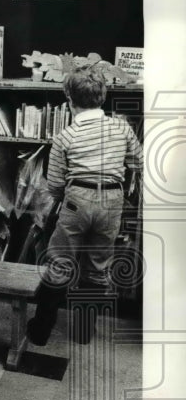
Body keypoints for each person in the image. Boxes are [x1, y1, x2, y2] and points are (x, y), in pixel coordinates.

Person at [26, 66, 142, 346]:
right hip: (112, 201)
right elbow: (138, 163)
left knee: (61, 263)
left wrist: (71, 195)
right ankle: (83, 333)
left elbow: (53, 184)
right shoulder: (122, 127)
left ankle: (40, 331)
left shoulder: (64, 136)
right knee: (97, 267)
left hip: (76, 200)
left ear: (69, 99)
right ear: (103, 97)